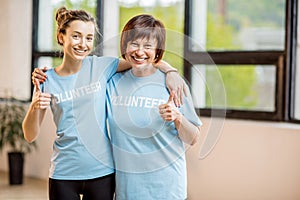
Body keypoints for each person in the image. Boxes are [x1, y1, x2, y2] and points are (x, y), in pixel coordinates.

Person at [23, 7, 186, 200]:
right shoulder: (46, 79)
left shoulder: (101, 66)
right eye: (76, 36)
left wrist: (171, 71)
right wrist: (34, 106)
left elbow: (141, 58)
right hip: (64, 173)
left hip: (102, 172)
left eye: (89, 38)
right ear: (61, 36)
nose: (83, 44)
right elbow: (30, 135)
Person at [106, 14, 202, 200]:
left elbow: (194, 138)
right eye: (134, 43)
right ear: (125, 44)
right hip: (127, 190)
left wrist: (177, 117)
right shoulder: (112, 83)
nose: (140, 52)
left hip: (166, 189)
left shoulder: (174, 85)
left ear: (157, 49)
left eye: (148, 46)